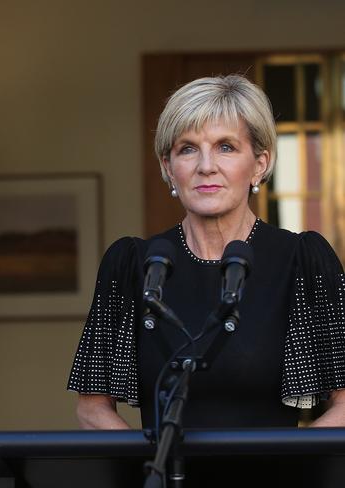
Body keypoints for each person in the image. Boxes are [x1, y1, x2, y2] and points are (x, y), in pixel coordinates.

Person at [67, 75, 345, 484]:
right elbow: (92, 410)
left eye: (226, 147)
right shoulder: (133, 264)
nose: (205, 166)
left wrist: (282, 469)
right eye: (187, 149)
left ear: (261, 164)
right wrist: (153, 473)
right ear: (168, 167)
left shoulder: (302, 261)